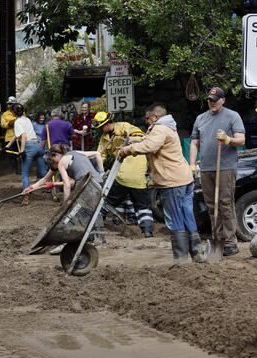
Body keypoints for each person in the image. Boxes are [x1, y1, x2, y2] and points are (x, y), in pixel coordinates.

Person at [120, 104, 204, 263]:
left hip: (172, 181)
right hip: (184, 179)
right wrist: (132, 139)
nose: (146, 122)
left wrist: (127, 150)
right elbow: (149, 139)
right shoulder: (168, 127)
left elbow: (150, 145)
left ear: (154, 117)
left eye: (147, 118)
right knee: (187, 215)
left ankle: (180, 258)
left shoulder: (159, 128)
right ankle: (197, 253)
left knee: (175, 218)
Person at [189, 87, 245, 257]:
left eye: (215, 99)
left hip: (226, 166)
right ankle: (217, 238)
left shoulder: (232, 116)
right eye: (209, 100)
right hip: (206, 168)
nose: (212, 102)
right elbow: (194, 143)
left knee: (225, 204)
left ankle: (230, 242)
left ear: (223, 100)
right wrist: (192, 164)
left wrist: (228, 139)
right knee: (212, 206)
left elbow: (241, 139)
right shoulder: (201, 118)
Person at [94, 111, 154, 238]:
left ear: (109, 123)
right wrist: (100, 171)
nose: (100, 130)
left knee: (109, 200)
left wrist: (125, 135)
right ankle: (147, 230)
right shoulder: (104, 138)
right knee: (142, 204)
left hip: (133, 165)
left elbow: (141, 136)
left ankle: (96, 223)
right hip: (129, 172)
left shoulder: (124, 126)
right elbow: (100, 155)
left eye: (101, 127)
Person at [12, 104, 47, 206]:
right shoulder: (27, 119)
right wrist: (9, 144)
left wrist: (22, 151)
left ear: (14, 113)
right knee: (43, 172)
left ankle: (26, 198)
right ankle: (54, 193)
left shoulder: (17, 122)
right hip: (38, 145)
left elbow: (23, 135)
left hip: (29, 147)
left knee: (25, 174)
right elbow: (18, 134)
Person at [0, 97, 20, 174]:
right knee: (11, 155)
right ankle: (13, 171)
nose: (9, 105)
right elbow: (3, 124)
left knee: (20, 155)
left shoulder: (20, 112)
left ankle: (21, 170)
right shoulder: (5, 114)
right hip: (10, 137)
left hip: (20, 138)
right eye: (8, 104)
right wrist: (9, 124)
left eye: (11, 104)